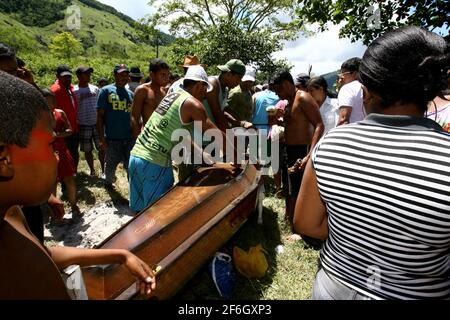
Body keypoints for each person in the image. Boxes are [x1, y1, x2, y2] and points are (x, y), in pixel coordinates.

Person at [294, 26, 450, 300]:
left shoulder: (332, 144)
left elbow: (306, 224)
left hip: (333, 287)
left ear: (365, 91)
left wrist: (358, 233)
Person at [0, 71, 156, 299]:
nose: (56, 157)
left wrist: (120, 255)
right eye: (50, 144)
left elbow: (41, 256)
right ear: (4, 159)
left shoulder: (12, 216)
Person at [129, 65, 231, 213]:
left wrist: (204, 155)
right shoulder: (193, 104)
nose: (205, 93)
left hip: (136, 157)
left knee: (139, 216)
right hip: (155, 164)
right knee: (159, 217)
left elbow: (181, 135)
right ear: (198, 85)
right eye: (204, 88)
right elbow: (216, 135)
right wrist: (239, 157)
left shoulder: (172, 96)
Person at [271, 69, 324, 228]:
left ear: (286, 84)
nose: (277, 94)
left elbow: (319, 125)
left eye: (278, 90)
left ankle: (298, 225)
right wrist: (281, 120)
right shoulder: (289, 101)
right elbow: (294, 124)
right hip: (289, 149)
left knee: (299, 189)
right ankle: (289, 219)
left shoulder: (302, 97)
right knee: (289, 187)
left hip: (302, 150)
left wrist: (310, 154)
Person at [42, 89, 81, 219]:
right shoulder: (38, 116)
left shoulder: (60, 113)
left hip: (62, 150)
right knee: (52, 183)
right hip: (47, 152)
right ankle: (55, 211)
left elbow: (70, 130)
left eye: (50, 101)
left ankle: (74, 205)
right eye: (45, 102)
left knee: (69, 178)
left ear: (54, 101)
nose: (49, 104)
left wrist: (57, 135)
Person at [96, 64, 134, 188]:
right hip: (112, 139)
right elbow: (100, 116)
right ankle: (108, 183)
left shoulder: (130, 94)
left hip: (129, 138)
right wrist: (102, 138)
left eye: (126, 74)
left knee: (131, 167)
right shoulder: (106, 91)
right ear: (114, 75)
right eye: (121, 74)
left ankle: (133, 190)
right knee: (110, 168)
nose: (124, 77)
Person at [74, 66, 105, 177]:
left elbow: (99, 106)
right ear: (78, 76)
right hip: (83, 124)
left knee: (102, 148)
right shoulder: (74, 90)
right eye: (85, 74)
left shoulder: (95, 89)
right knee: (88, 150)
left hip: (97, 124)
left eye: (89, 74)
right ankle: (92, 170)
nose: (88, 76)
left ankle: (104, 170)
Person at [131, 59, 170, 139]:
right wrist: (138, 139)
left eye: (167, 74)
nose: (166, 78)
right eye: (162, 74)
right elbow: (134, 118)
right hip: (147, 137)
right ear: (152, 75)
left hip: (163, 138)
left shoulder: (164, 92)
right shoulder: (142, 90)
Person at [50, 65, 80, 170]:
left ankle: (72, 174)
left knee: (74, 152)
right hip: (62, 129)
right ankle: (65, 177)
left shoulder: (70, 88)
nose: (67, 79)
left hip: (73, 128)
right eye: (64, 76)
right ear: (57, 76)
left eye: (69, 76)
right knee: (65, 155)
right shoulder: (55, 90)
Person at [204, 59, 246, 131]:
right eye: (239, 78)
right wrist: (230, 138)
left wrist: (241, 123)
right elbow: (218, 115)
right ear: (229, 74)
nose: (239, 82)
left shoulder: (225, 89)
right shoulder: (213, 84)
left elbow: (223, 111)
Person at [336, 57, 365, 126]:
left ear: (354, 74)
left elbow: (343, 120)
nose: (341, 77)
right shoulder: (370, 87)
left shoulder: (347, 88)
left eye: (343, 73)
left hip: (353, 133)